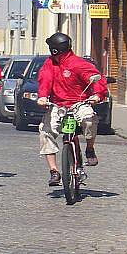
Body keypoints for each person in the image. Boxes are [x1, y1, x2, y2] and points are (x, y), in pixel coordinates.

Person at [36, 32, 108, 186]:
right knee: (46, 130)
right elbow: (45, 80)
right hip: (58, 104)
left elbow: (95, 78)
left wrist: (97, 95)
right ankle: (54, 171)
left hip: (79, 103)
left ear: (55, 49)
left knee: (89, 120)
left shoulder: (77, 63)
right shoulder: (49, 64)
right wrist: (42, 96)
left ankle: (89, 148)